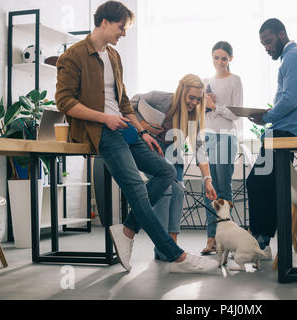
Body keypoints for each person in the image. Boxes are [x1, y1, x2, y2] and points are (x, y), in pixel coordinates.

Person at [55, 1, 218, 274]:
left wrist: (142, 131)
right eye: (122, 28)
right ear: (104, 22)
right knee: (138, 192)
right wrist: (105, 118)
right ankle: (175, 254)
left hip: (126, 130)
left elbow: (124, 103)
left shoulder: (114, 57)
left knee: (166, 172)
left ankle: (127, 230)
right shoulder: (73, 56)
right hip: (102, 131)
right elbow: (64, 101)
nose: (124, 34)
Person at [247, 18, 297, 258]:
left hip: (284, 134)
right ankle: (263, 239)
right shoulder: (296, 58)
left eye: (268, 41)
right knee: (269, 185)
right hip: (288, 131)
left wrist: (267, 116)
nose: (267, 47)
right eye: (263, 44)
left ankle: (261, 241)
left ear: (281, 34)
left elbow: (289, 100)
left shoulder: (293, 58)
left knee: (257, 183)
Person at [131, 74, 218, 261]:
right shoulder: (161, 98)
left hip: (172, 152)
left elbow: (200, 148)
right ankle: (163, 247)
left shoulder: (194, 114)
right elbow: (131, 103)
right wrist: (143, 126)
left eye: (198, 99)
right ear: (181, 92)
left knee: (179, 190)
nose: (194, 103)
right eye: (191, 98)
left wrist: (207, 180)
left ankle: (172, 246)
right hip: (151, 147)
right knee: (165, 189)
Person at [201, 41, 243, 255]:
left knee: (224, 189)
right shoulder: (205, 81)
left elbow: (235, 114)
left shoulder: (235, 80)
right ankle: (211, 239)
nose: (219, 62)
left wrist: (214, 106)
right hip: (208, 135)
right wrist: (204, 103)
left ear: (230, 59)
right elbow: (199, 112)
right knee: (209, 188)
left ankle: (226, 238)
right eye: (216, 57)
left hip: (226, 137)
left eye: (224, 58)